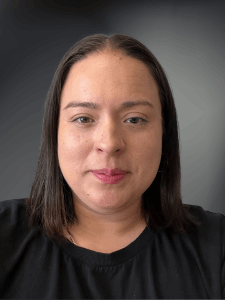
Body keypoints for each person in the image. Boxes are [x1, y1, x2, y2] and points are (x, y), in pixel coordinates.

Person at [0, 33, 224, 299]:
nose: (109, 143)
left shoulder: (217, 247)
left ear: (165, 133)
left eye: (135, 120)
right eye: (83, 118)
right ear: (54, 132)